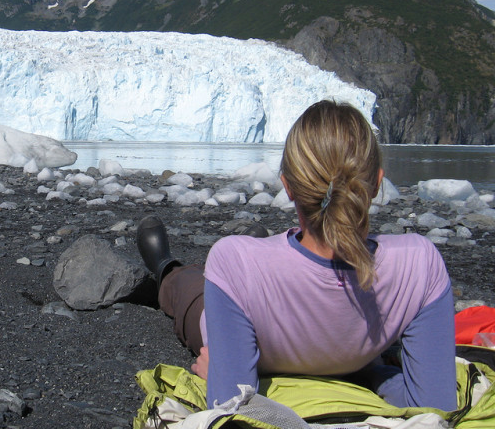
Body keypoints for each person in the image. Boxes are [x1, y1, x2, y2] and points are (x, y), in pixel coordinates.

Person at [136, 100, 457, 412]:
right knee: (235, 271)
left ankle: (166, 267)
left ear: (288, 186)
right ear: (375, 183)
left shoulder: (231, 259)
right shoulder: (420, 264)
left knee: (192, 291)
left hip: (244, 302)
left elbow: (234, 408)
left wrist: (218, 377)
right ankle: (240, 266)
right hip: (357, 354)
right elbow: (431, 407)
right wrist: (369, 373)